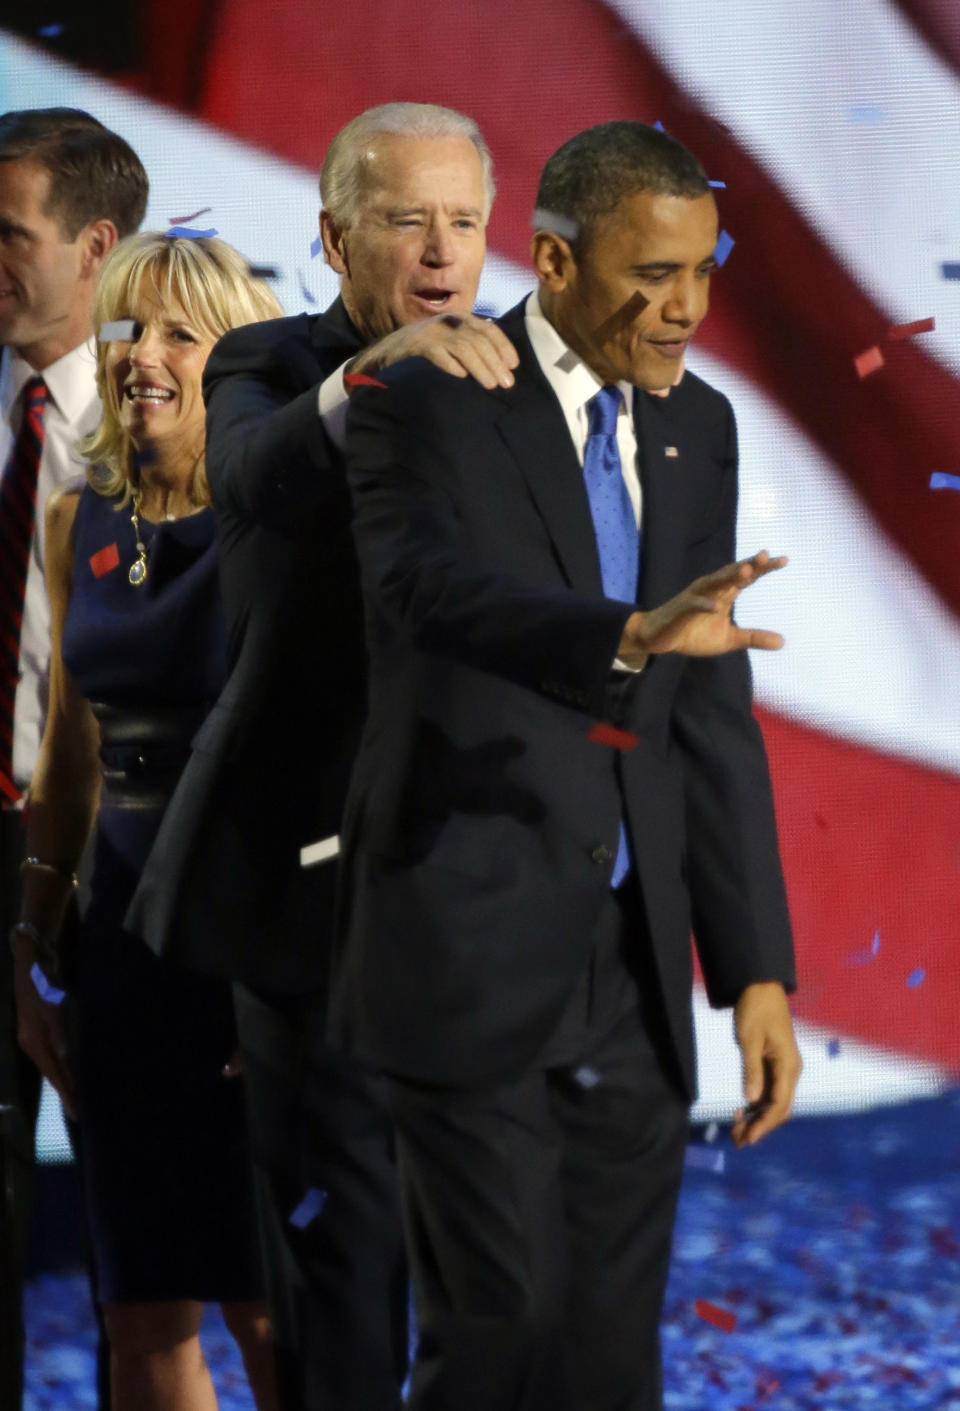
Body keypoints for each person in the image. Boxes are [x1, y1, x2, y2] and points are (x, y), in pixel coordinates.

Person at [334, 120, 803, 1411]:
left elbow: (711, 712)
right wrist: (621, 635)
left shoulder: (696, 427)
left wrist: (756, 967)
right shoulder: (431, 398)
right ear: (550, 260)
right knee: (502, 1333)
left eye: (706, 271)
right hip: (467, 930)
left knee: (607, 1354)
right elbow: (424, 593)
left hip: (632, 969)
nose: (688, 307)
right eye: (655, 274)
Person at [127, 101, 518, 1411]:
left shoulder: (522, 380)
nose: (440, 251)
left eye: (463, 220)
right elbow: (243, 474)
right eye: (406, 220)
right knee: (338, 1275)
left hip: (482, 887)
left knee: (493, 1269)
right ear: (334, 235)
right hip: (311, 891)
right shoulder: (268, 364)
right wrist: (381, 376)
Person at [11, 231, 283, 1411]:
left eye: (182, 332)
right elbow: (69, 754)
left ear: (238, 360)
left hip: (250, 954)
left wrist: (288, 980)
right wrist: (30, 949)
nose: (143, 356)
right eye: (128, 329)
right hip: (120, 953)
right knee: (140, 1320)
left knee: (274, 1314)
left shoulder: (286, 529)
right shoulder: (78, 522)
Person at [0, 106, 147, 1411]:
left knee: (128, 1222)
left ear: (95, 244)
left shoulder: (165, 435)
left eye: (6, 233)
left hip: (101, 849)